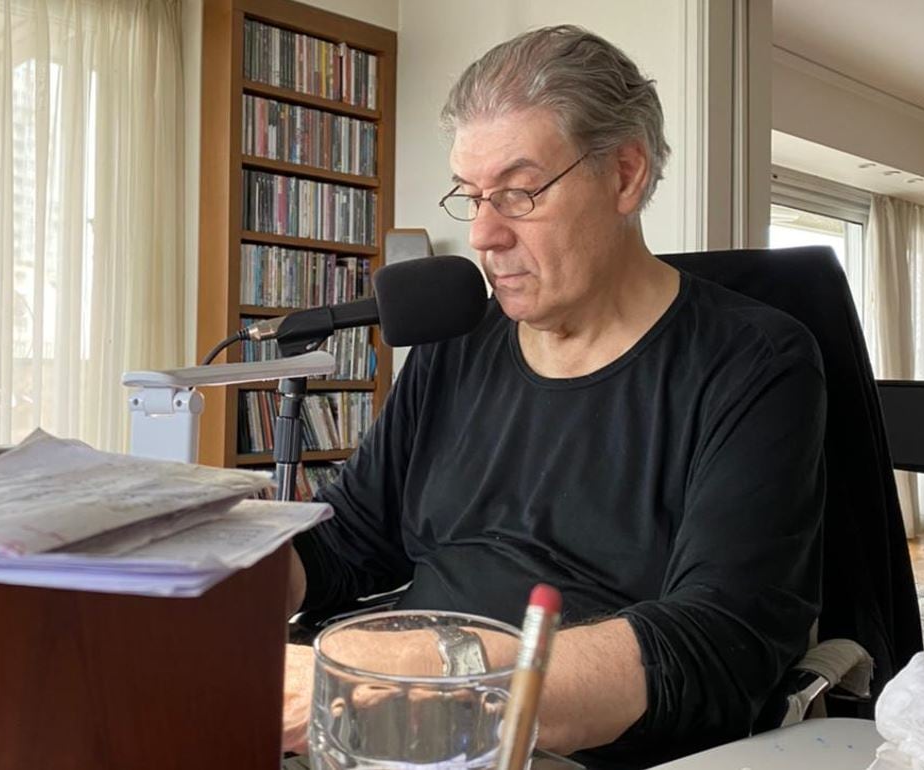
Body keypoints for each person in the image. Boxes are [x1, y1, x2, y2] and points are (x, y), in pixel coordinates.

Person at [283, 25, 826, 769]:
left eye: (518, 192)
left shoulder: (753, 361)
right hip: (385, 723)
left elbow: (716, 642)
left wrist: (409, 672)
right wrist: (219, 572)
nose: (483, 233)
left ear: (624, 175)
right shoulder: (455, 344)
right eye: (471, 196)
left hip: (567, 744)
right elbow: (349, 542)